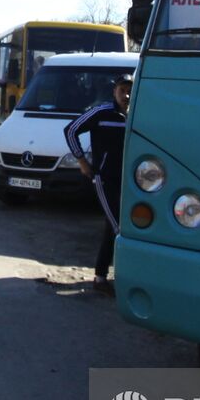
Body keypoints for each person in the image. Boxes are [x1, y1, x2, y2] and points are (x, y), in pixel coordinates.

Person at [64, 73, 131, 297]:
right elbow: (71, 130)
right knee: (119, 228)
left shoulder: (138, 114)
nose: (126, 95)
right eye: (122, 90)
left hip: (130, 181)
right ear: (114, 91)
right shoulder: (101, 112)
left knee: (112, 228)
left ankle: (100, 277)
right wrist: (82, 161)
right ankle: (123, 279)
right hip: (105, 178)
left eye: (130, 90)